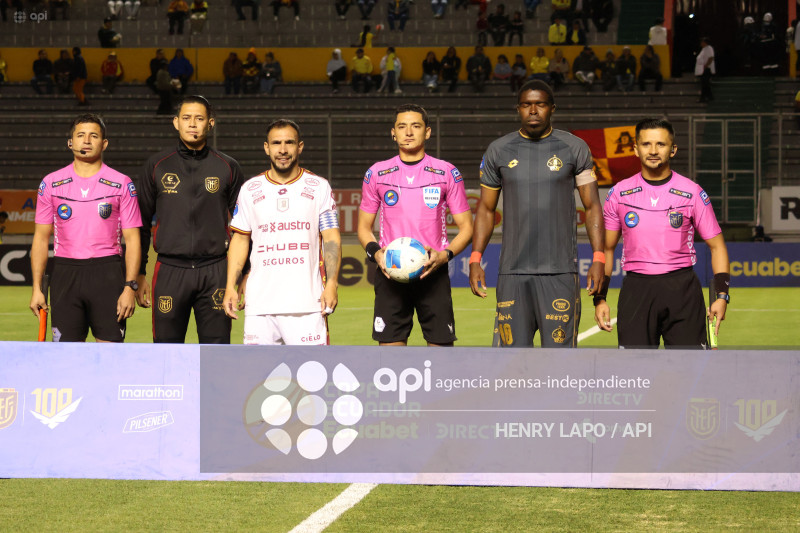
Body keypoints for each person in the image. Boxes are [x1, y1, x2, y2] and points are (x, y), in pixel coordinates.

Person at [469, 80, 605, 348]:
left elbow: (592, 207)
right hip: (512, 272)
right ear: (518, 109)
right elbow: (485, 209)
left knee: (559, 362)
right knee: (510, 360)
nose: (533, 111)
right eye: (526, 105)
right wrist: (475, 258)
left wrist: (598, 257)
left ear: (552, 108)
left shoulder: (575, 148)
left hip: (560, 272)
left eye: (540, 104)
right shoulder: (498, 150)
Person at [595, 118, 730, 349]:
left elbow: (717, 246)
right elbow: (607, 249)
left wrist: (722, 296)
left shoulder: (692, 192)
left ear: (673, 149)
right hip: (636, 290)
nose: (654, 151)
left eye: (661, 144)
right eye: (646, 144)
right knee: (636, 374)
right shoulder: (619, 193)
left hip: (683, 289)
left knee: (687, 372)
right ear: (636, 149)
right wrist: (600, 299)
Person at [358, 104, 473, 346]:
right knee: (390, 357)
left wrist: (445, 255)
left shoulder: (446, 172)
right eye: (402, 126)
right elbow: (364, 227)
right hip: (391, 273)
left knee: (440, 352)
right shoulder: (377, 173)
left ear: (427, 132)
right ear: (393, 133)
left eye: (416, 126)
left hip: (433, 271)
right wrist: (375, 253)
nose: (408, 132)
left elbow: (467, 228)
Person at [136, 96, 245, 344]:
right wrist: (139, 273)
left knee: (216, 352)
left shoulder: (228, 167)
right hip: (170, 271)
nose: (192, 124)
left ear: (211, 123)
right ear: (176, 123)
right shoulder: (157, 165)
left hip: (215, 270)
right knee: (166, 351)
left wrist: (244, 274)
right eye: (186, 118)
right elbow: (140, 223)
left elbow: (244, 228)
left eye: (199, 118)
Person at [224, 119, 341, 345]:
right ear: (267, 147)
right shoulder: (250, 190)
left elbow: (332, 240)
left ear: (300, 146)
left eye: (289, 142)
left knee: (311, 378)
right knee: (258, 378)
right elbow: (239, 240)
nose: (283, 150)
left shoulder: (319, 187)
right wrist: (230, 285)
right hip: (260, 306)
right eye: (276, 143)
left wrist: (332, 283)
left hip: (308, 305)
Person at [30, 114, 142, 343]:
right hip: (65, 274)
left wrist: (130, 287)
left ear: (104, 143)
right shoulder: (50, 183)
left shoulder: (122, 183)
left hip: (107, 273)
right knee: (67, 360)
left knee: (109, 355)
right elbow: (41, 239)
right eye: (80, 135)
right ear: (70, 142)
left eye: (94, 135)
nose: (87, 140)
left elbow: (133, 240)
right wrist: (36, 288)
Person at [695, 37, 714, 103]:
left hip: (706, 69)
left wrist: (706, 66)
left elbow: (711, 57)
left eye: (702, 42)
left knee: (705, 84)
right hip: (703, 69)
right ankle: (709, 97)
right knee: (705, 84)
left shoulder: (709, 48)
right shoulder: (703, 49)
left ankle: (704, 98)